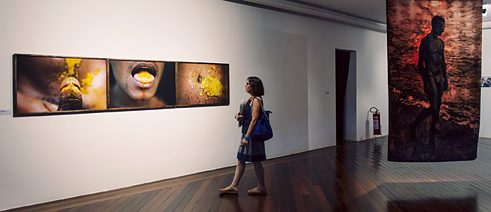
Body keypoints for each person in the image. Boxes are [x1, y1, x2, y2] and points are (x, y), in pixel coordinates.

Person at [219, 76, 267, 195]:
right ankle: (234, 186)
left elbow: (254, 120)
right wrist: (238, 116)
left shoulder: (256, 100)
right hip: (247, 134)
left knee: (255, 160)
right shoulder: (250, 100)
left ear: (253, 86)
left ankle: (261, 187)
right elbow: (248, 117)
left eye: (247, 84)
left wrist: (246, 137)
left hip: (251, 136)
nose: (245, 85)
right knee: (241, 159)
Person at [410, 16, 448, 144]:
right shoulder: (425, 42)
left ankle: (432, 128)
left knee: (437, 106)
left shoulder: (441, 43)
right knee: (434, 106)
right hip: (430, 75)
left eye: (444, 25)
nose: (443, 28)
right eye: (441, 25)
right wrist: (425, 80)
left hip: (439, 76)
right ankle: (414, 125)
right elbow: (420, 64)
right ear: (434, 25)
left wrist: (446, 79)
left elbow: (443, 62)